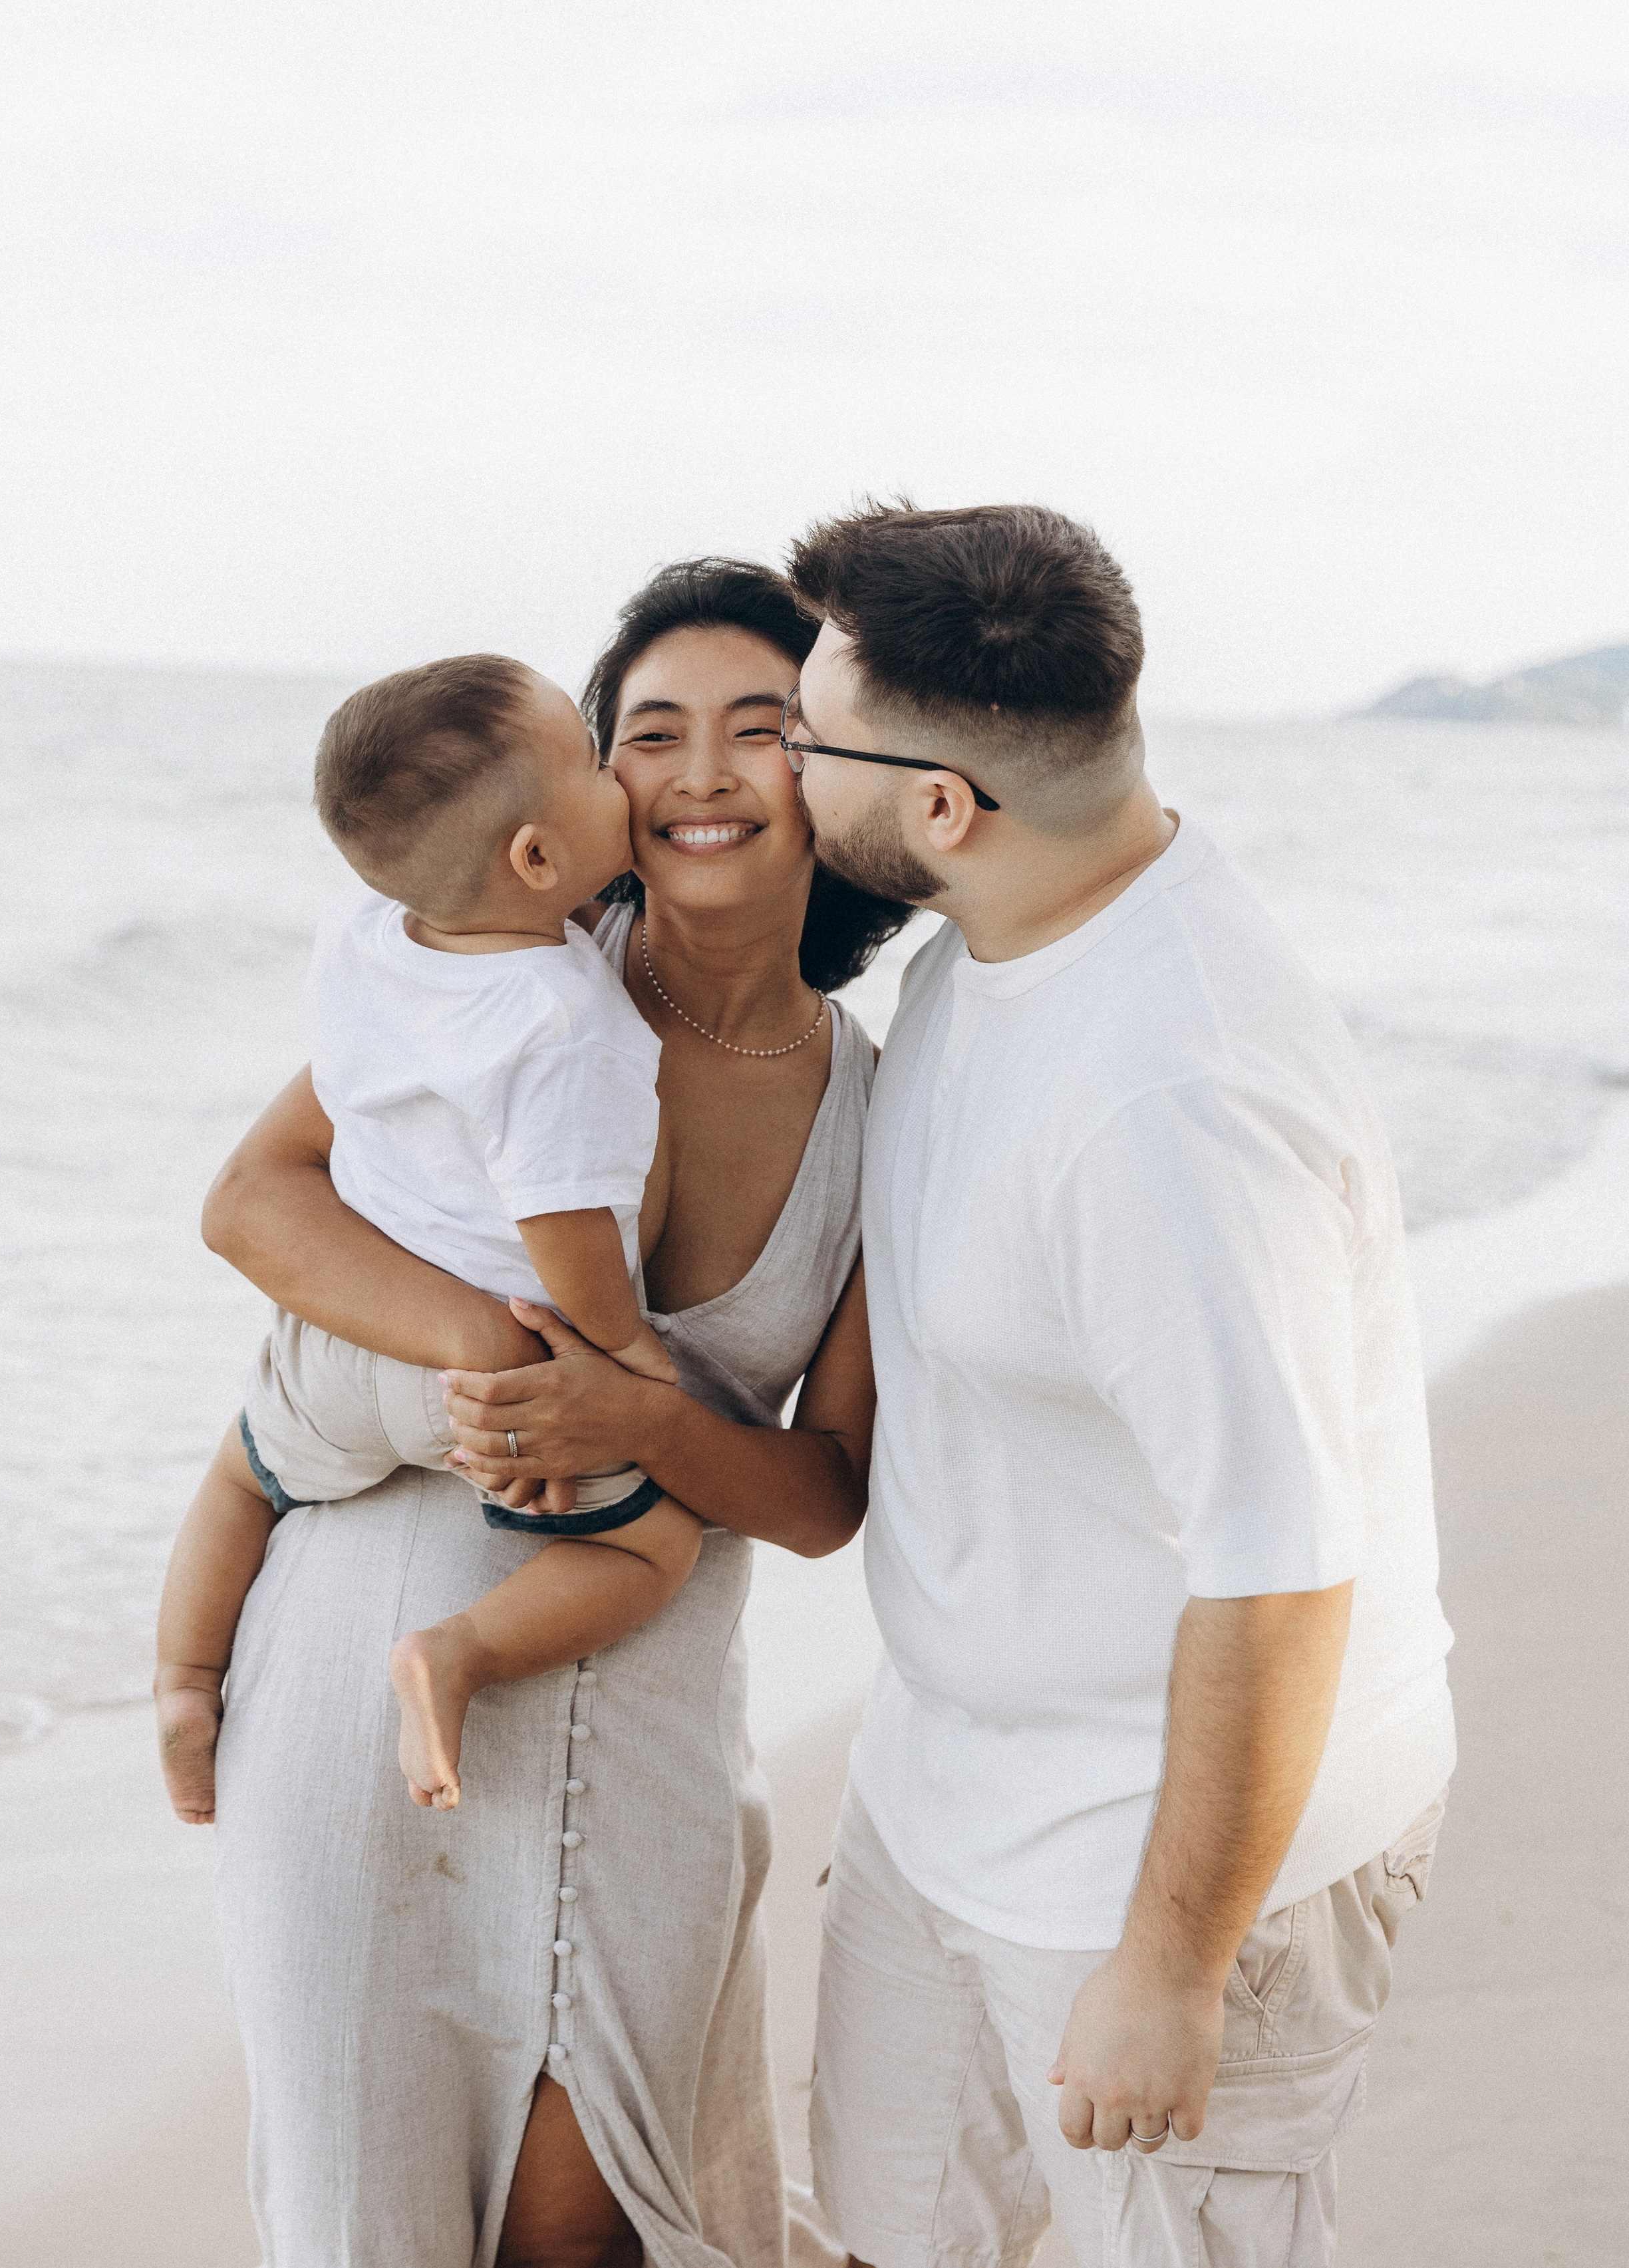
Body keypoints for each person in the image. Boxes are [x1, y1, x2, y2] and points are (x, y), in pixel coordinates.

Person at [196, 559, 909, 2268]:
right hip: (368, 1691)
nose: (702, 774)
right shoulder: (498, 978)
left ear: (835, 773)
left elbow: (824, 1497)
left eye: (763, 728)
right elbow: (253, 1205)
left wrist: (637, 1420)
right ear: (589, 793)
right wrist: (497, 1353)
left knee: (596, 2233)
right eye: (649, 734)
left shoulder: (890, 1108)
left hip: (652, 1714)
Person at [780, 501, 1455, 2268]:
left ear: (941, 805)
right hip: (951, 1808)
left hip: (1179, 1867)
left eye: (802, 731)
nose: (776, 765)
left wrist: (1170, 1967)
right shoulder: (991, 941)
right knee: (880, 2237)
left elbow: (1288, 1570)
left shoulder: (1173, 1103)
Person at [155, 651, 704, 1822]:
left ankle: (186, 1679)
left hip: (336, 1333)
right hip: (488, 1376)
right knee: (653, 1550)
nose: (620, 774)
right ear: (537, 860)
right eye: (595, 764)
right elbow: (562, 1218)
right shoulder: (566, 1024)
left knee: (244, 1469)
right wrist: (620, 1347)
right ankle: (456, 1655)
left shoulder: (365, 932)